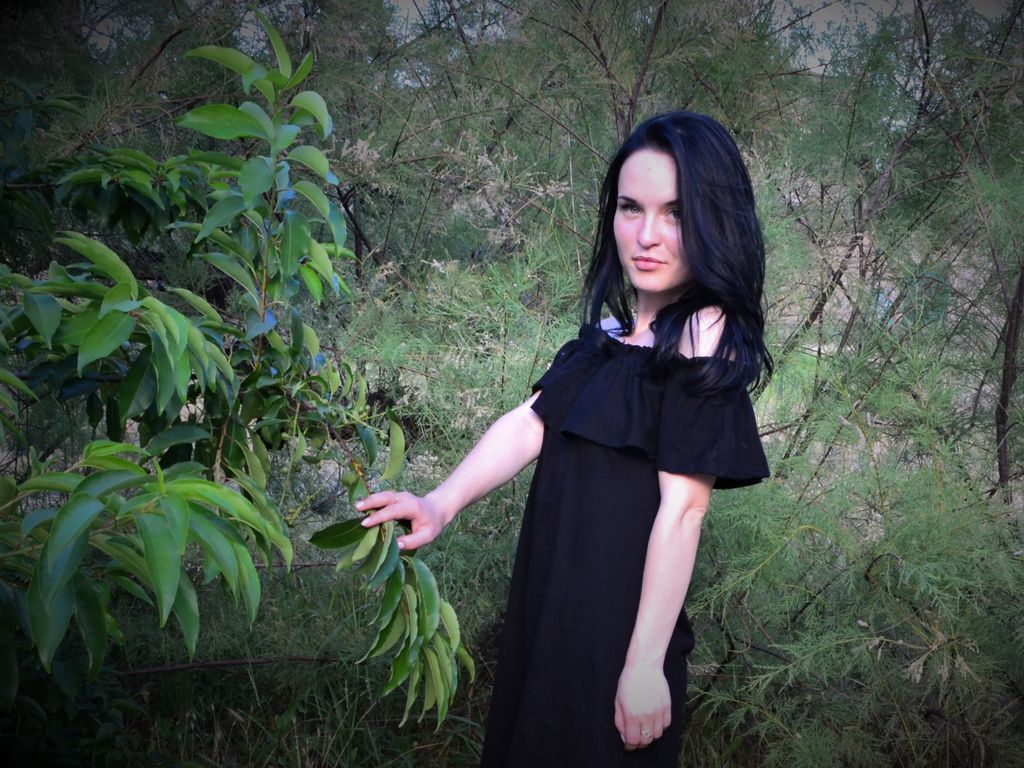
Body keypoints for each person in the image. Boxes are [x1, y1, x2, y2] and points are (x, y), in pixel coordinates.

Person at [356, 111, 771, 767]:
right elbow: (528, 424)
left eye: (676, 213)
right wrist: (440, 502)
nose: (647, 235)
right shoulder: (605, 342)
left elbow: (684, 511)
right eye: (631, 208)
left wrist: (643, 666)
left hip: (619, 636)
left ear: (715, 220)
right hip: (551, 612)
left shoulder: (703, 340)